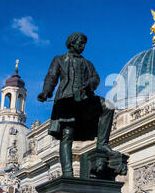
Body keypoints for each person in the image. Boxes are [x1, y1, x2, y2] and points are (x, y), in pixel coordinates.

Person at [38, 32, 117, 178]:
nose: (82, 46)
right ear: (72, 43)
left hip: (85, 98)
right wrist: (46, 92)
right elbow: (51, 76)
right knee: (67, 134)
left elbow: (96, 78)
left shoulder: (88, 63)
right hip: (67, 99)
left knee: (108, 106)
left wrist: (89, 84)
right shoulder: (59, 59)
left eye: (84, 44)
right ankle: (68, 172)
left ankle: (102, 144)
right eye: (80, 42)